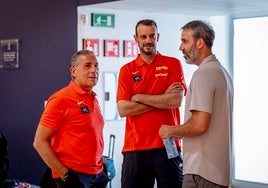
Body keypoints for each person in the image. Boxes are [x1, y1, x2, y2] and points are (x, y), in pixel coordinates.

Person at [159, 20, 234, 188]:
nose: (181, 47)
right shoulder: (222, 73)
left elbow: (200, 125)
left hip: (202, 172)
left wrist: (171, 130)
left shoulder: (203, 75)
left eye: (185, 41)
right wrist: (181, 131)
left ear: (200, 42)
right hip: (217, 172)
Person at [116, 19, 187, 188]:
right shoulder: (127, 70)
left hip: (168, 145)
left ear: (158, 37)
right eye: (144, 36)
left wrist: (139, 97)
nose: (148, 40)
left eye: (152, 36)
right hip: (135, 147)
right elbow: (123, 109)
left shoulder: (172, 64)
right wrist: (163, 99)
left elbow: (175, 100)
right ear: (136, 38)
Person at [33, 50, 109, 188]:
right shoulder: (60, 99)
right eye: (87, 66)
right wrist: (64, 174)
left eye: (96, 66)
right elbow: (39, 142)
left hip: (98, 175)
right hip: (74, 177)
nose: (94, 70)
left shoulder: (93, 98)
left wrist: (101, 167)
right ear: (73, 71)